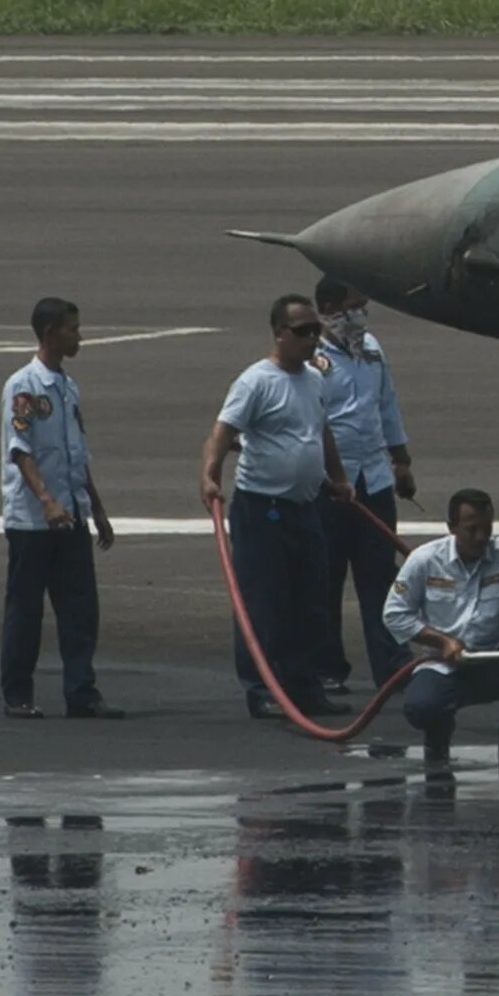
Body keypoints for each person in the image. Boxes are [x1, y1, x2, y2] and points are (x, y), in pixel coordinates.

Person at [199, 295, 350, 721]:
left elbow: (323, 434)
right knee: (264, 601)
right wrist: (209, 476)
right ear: (279, 333)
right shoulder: (256, 381)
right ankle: (261, 687)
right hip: (261, 508)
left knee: (310, 601)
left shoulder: (314, 381)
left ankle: (303, 686)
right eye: (302, 331)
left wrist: (337, 479)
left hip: (305, 506)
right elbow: (222, 432)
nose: (311, 339)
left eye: (315, 330)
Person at [0, 297, 121, 720]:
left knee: (80, 609)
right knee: (26, 610)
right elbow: (21, 450)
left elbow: (76, 454)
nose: (79, 336)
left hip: (71, 515)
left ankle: (81, 692)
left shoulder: (68, 388)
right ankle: (17, 694)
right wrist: (47, 502)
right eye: (72, 329)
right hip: (33, 521)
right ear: (50, 332)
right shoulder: (24, 386)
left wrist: (97, 509)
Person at [383, 489, 499, 771]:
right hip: (443, 666)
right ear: (452, 528)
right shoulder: (424, 560)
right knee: (421, 707)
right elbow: (394, 614)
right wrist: (443, 642)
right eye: (472, 530)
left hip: (496, 660)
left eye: (487, 529)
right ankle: (437, 742)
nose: (481, 537)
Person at [312, 277, 416, 695]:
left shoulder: (372, 349)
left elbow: (386, 403)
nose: (362, 312)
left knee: (380, 579)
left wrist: (402, 459)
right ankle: (326, 667)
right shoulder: (312, 360)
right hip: (329, 486)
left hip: (372, 480)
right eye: (355, 305)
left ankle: (390, 666)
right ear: (332, 309)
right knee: (325, 579)